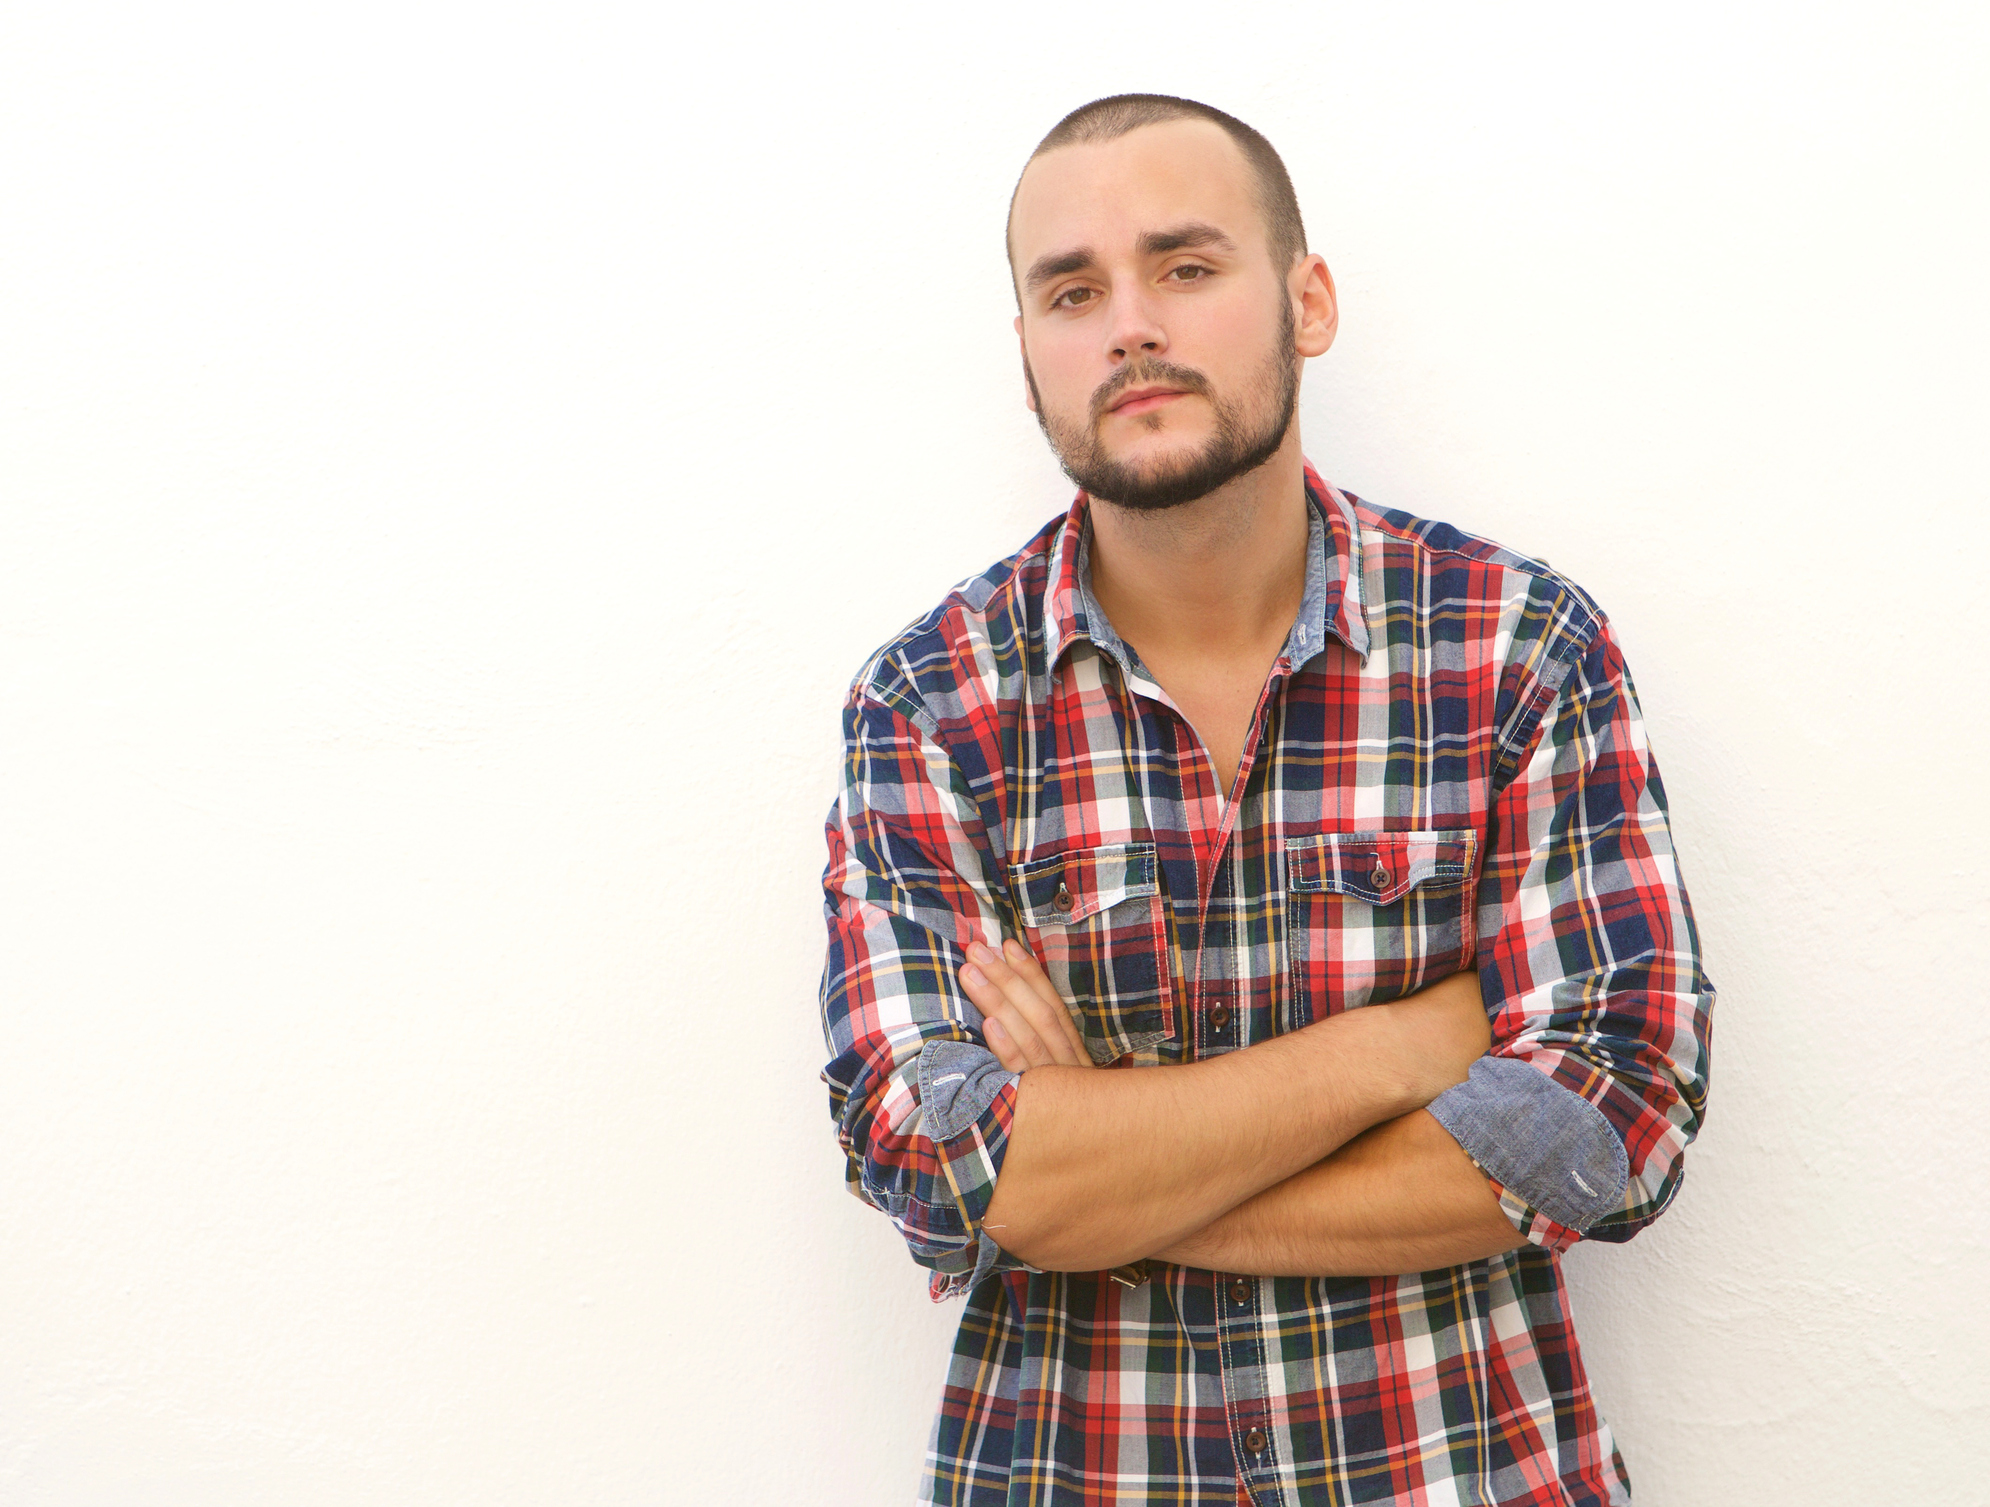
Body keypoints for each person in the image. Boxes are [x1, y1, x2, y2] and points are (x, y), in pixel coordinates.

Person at [818, 93, 1714, 1507]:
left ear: (1308, 302)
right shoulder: (929, 707)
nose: (1130, 327)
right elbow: (943, 1169)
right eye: (1073, 292)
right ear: (1027, 356)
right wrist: (1397, 1050)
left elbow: (1607, 1124)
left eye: (1185, 266)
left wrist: (1095, 1158)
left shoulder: (1515, 647)